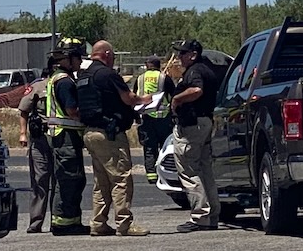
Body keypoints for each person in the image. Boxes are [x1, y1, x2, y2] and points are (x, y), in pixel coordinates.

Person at [76, 40, 153, 236]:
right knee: (121, 178)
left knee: (101, 181)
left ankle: (98, 222)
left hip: (90, 133)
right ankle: (124, 223)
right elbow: (128, 98)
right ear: (107, 54)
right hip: (109, 133)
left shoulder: (84, 76)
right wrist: (145, 100)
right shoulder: (107, 74)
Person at [167, 38, 220, 232]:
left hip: (192, 125)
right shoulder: (207, 70)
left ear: (193, 55)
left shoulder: (195, 71)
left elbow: (197, 90)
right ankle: (212, 215)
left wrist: (177, 99)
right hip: (204, 122)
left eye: (182, 53)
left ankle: (200, 216)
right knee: (205, 170)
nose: (178, 57)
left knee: (189, 170)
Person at [45, 38, 90, 236]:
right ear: (68, 59)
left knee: (70, 178)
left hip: (63, 136)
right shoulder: (64, 82)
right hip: (66, 137)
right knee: (70, 179)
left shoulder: (57, 78)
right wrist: (90, 115)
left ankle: (68, 220)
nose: (80, 62)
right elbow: (72, 111)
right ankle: (64, 223)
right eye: (78, 58)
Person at [16, 66, 52, 233]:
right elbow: (23, 110)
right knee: (40, 180)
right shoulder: (37, 87)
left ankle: (59, 221)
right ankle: (35, 222)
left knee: (60, 181)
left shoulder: (66, 84)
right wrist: (23, 133)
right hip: (40, 138)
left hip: (61, 138)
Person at [134, 55, 171, 184]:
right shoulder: (164, 78)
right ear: (158, 65)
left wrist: (136, 116)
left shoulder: (140, 78)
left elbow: (134, 97)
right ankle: (164, 173)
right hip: (164, 117)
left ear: (147, 65)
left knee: (149, 146)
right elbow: (173, 95)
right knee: (165, 146)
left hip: (146, 117)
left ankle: (151, 175)